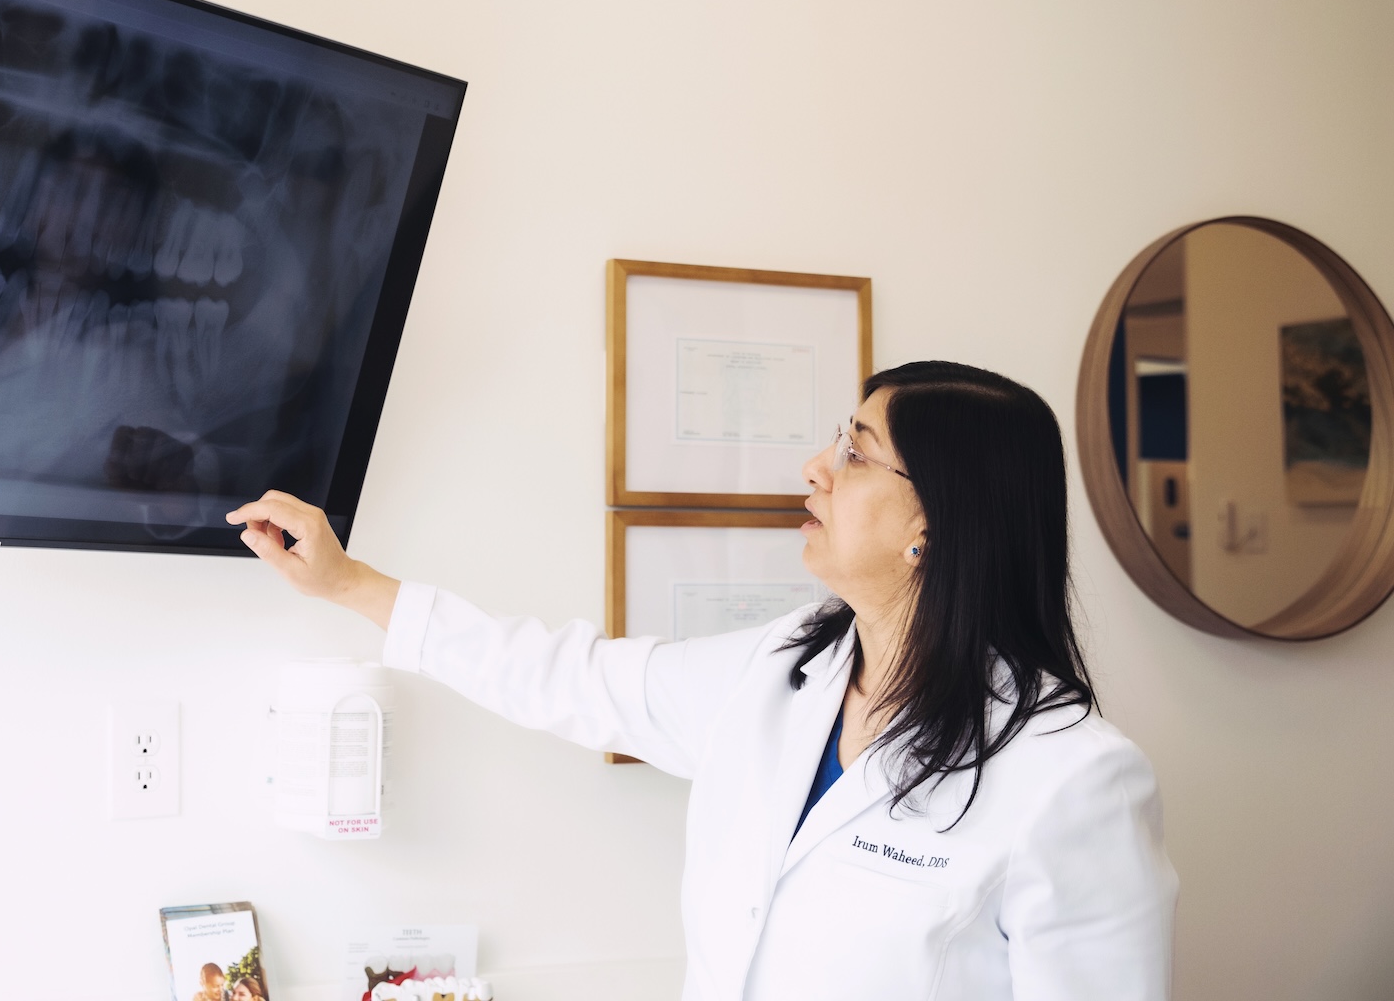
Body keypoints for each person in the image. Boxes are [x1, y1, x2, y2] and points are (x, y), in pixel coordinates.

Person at [228, 361, 1178, 1000]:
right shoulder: (782, 672)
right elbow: (577, 680)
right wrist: (354, 586)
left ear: (935, 521)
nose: (816, 469)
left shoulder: (1071, 778)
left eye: (854, 451)